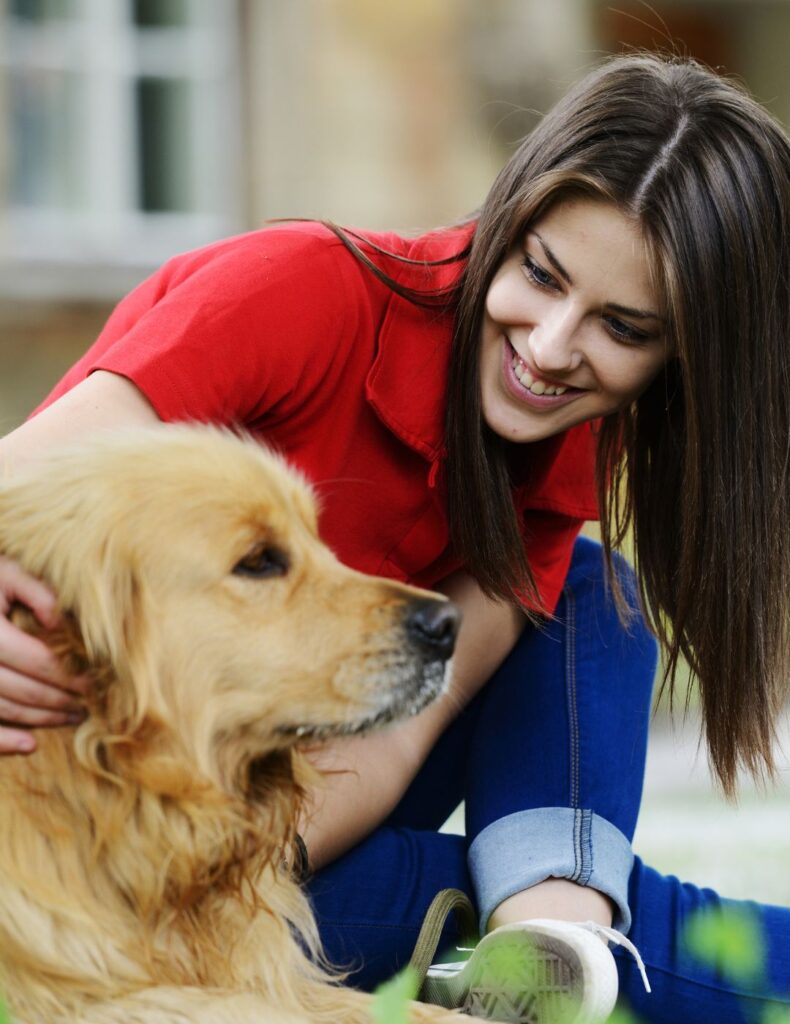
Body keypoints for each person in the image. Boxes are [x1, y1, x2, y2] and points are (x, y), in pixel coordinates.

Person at [0, 51, 788, 1024]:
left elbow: (395, 742)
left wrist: (233, 879)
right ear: (505, 223)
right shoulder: (300, 291)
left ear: (684, 360)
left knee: (593, 597)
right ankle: (564, 945)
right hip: (75, 831)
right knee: (541, 905)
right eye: (538, 275)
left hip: (264, 836)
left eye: (621, 328)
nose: (547, 346)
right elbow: (25, 486)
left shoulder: (575, 442)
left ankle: (555, 931)